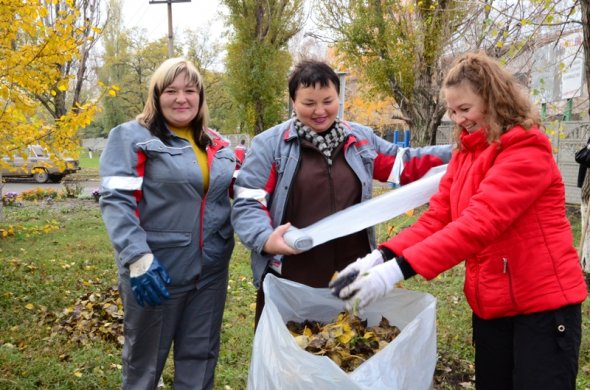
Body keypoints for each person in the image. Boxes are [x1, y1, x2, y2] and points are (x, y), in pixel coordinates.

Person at [331, 51, 588, 390]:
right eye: (452, 111)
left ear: (495, 100)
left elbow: (477, 224)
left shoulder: (526, 150)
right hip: (492, 308)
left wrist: (395, 272)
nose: (458, 119)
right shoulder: (466, 154)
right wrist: (379, 257)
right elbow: (438, 218)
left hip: (541, 311)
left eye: (465, 109)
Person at [231, 59, 452, 326]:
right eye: (309, 103)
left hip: (351, 271)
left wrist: (460, 151)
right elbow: (248, 202)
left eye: (328, 100)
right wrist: (266, 239)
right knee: (295, 355)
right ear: (292, 102)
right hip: (293, 275)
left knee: (349, 352)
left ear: (339, 97)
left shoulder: (359, 138)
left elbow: (404, 163)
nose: (320, 111)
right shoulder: (270, 145)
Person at [99, 57, 236, 390]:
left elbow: (235, 195)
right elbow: (117, 201)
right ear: (156, 95)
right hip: (156, 273)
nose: (181, 98)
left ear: (201, 97)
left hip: (210, 275)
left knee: (200, 361)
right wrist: (138, 258)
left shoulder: (216, 143)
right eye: (171, 90)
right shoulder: (132, 137)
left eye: (190, 90)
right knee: (144, 367)